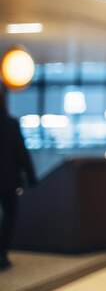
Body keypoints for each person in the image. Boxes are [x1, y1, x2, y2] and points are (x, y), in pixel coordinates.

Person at [0, 90, 37, 270]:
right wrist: (31, 177)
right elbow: (22, 153)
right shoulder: (10, 124)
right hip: (8, 180)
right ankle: (2, 253)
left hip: (7, 179)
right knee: (9, 216)